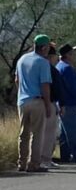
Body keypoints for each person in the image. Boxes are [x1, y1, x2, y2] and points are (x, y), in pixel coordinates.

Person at [14, 35, 53, 173]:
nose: (49, 49)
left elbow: (17, 80)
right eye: (48, 47)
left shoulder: (22, 59)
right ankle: (34, 163)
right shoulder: (42, 62)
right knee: (37, 133)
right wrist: (48, 105)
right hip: (37, 101)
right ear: (43, 47)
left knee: (23, 133)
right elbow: (45, 85)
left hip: (23, 101)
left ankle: (21, 163)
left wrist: (23, 92)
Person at [41, 44, 66, 169]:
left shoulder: (37, 67)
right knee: (50, 133)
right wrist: (61, 104)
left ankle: (39, 158)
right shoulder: (51, 70)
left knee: (39, 133)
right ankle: (45, 159)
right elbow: (58, 89)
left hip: (36, 102)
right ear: (51, 56)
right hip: (50, 103)